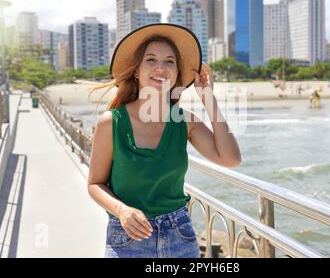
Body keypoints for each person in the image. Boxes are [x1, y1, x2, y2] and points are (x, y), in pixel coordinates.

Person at [87, 24, 241, 258]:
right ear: (136, 71)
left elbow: (231, 159)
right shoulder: (112, 123)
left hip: (180, 235)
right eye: (151, 60)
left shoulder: (184, 121)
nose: (161, 68)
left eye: (169, 62)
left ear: (177, 73)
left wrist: (208, 97)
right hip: (128, 237)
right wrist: (122, 210)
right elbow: (94, 184)